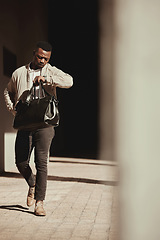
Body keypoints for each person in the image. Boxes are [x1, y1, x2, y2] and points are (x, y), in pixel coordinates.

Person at [4, 41, 73, 216]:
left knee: (41, 163)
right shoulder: (19, 72)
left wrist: (48, 79)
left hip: (45, 124)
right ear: (34, 53)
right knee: (20, 162)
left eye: (46, 58)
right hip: (25, 124)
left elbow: (69, 81)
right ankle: (32, 184)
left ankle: (39, 203)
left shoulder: (51, 70)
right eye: (39, 56)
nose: (42, 60)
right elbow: (8, 92)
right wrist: (13, 110)